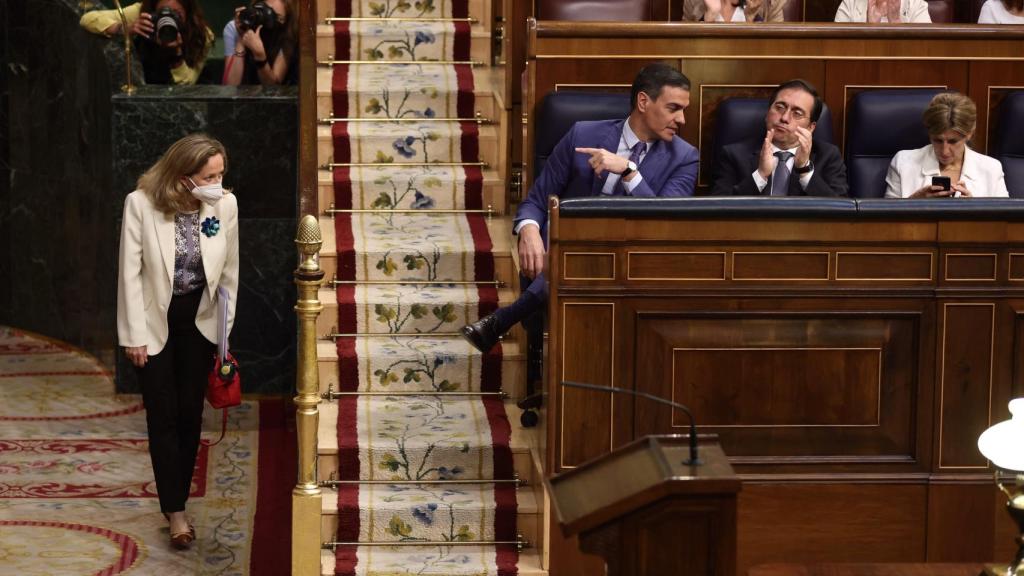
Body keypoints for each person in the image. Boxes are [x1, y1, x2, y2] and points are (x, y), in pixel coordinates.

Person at [461, 63, 699, 353]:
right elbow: (536, 201)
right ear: (643, 101)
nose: (682, 119)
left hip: (631, 258)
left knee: (572, 261)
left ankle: (502, 321)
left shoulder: (685, 158)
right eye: (674, 108)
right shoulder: (582, 135)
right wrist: (529, 231)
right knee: (567, 256)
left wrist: (629, 171)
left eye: (683, 109)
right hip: (566, 246)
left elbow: (664, 223)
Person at [117, 134, 239, 550]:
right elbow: (129, 274)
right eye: (209, 176)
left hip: (200, 323)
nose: (217, 183)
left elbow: (230, 277)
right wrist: (132, 334)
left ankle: (176, 500)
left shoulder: (225, 206)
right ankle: (177, 511)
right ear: (184, 177)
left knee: (189, 416)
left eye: (221, 174)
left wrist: (223, 338)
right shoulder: (141, 204)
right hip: (153, 323)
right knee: (162, 416)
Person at [711, 79, 849, 197]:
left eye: (797, 113)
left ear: (810, 128)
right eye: (780, 107)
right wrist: (760, 175)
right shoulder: (734, 155)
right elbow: (718, 209)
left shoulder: (828, 156)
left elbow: (842, 211)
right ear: (767, 113)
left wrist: (804, 170)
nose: (784, 118)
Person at [885, 92, 1009, 198]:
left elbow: (1005, 221)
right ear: (929, 133)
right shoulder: (903, 163)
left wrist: (975, 210)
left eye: (953, 141)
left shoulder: (991, 169)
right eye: (938, 140)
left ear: (969, 134)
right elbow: (885, 221)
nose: (944, 151)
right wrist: (913, 204)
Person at [80, 0, 214, 85]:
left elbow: (187, 84)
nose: (168, 19)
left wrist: (176, 55)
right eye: (162, 13)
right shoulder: (142, 13)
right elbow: (87, 19)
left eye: (176, 14)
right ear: (153, 12)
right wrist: (125, 28)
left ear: (188, 14)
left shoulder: (202, 35)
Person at [223, 0, 298, 86]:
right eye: (266, 11)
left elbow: (273, 87)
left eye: (277, 18)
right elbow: (230, 86)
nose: (268, 20)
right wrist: (241, 39)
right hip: (245, 95)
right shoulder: (235, 27)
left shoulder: (287, 33)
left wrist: (260, 56)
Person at [683, 0, 788, 22]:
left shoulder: (773, 2)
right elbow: (684, 48)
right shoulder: (693, 2)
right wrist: (710, 16)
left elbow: (775, 49)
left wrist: (750, 18)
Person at [834, 0, 931, 22]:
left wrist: (896, 22)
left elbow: (927, 51)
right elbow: (837, 49)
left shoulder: (917, 5)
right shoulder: (850, 3)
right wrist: (869, 31)